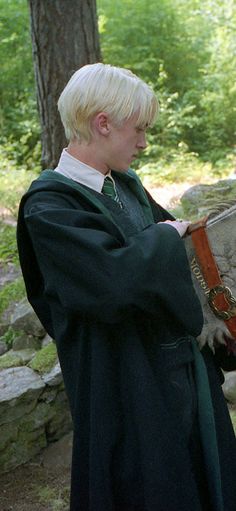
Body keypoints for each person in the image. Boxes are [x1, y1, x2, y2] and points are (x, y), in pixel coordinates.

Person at [17, 63, 236, 511]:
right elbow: (112, 283)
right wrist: (166, 235)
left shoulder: (126, 186)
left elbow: (184, 268)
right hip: (128, 390)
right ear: (102, 123)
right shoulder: (49, 206)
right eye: (138, 129)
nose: (143, 142)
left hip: (183, 378)